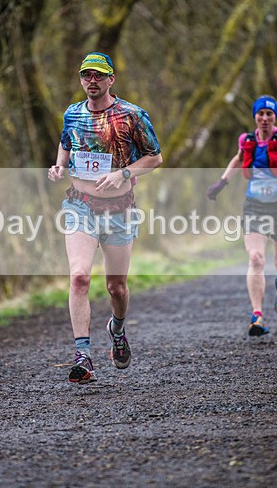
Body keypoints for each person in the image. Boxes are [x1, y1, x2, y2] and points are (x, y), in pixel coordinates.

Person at [47, 52, 162, 384]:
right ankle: (83, 356)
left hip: (119, 211)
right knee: (79, 277)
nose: (92, 81)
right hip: (79, 206)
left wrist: (123, 174)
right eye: (86, 75)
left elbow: (155, 158)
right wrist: (59, 167)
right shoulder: (72, 113)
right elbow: (66, 146)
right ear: (81, 79)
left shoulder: (132, 115)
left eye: (99, 75)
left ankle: (118, 328)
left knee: (117, 287)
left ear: (111, 79)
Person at [207, 95, 277, 337]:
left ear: (275, 117)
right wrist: (222, 182)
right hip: (255, 207)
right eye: (261, 114)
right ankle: (256, 315)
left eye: (270, 114)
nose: (265, 118)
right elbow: (237, 160)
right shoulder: (246, 140)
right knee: (256, 258)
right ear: (255, 116)